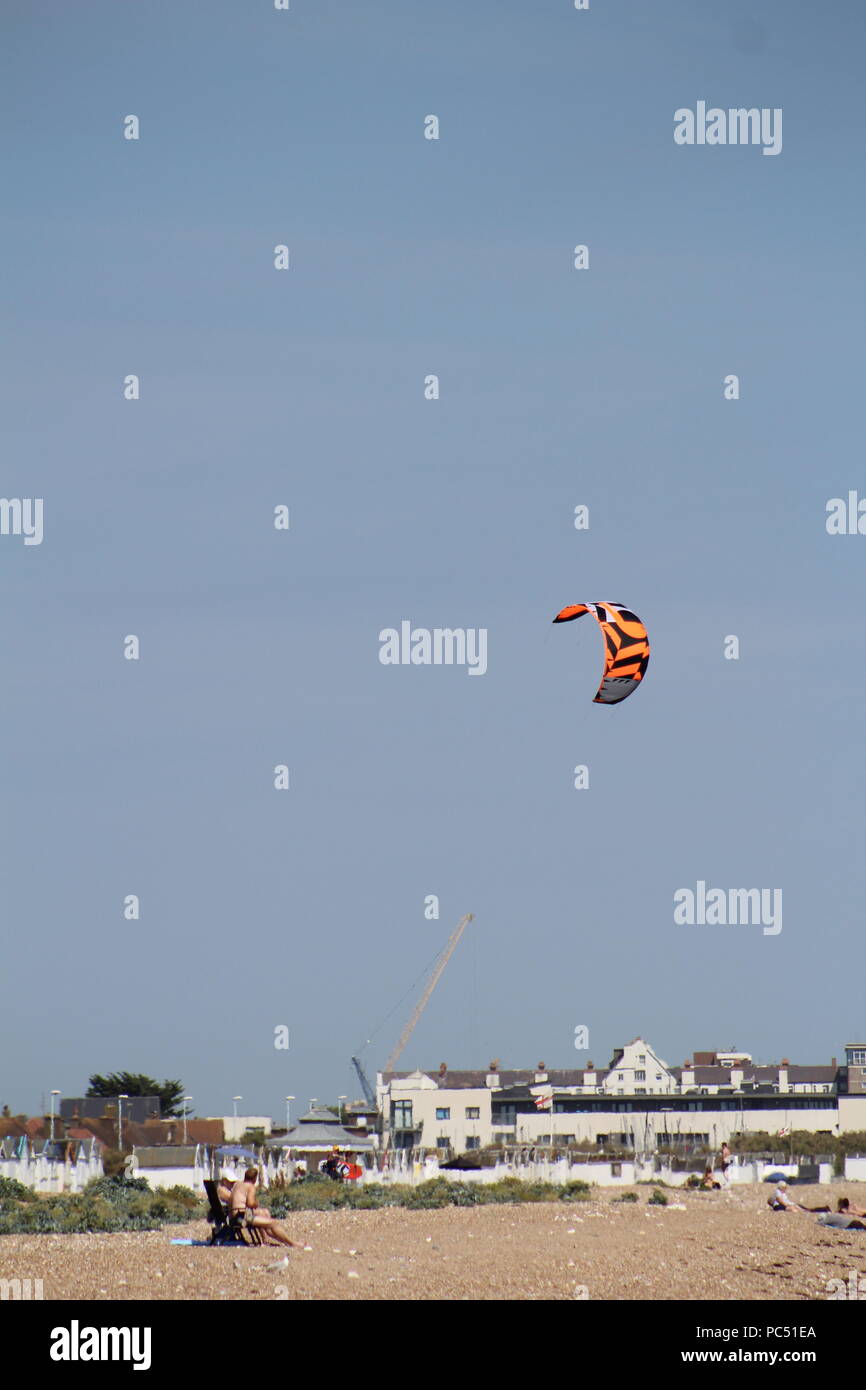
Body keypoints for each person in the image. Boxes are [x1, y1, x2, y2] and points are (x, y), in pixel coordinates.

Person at [230, 1167, 298, 1247]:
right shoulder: (250, 1186)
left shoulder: (237, 1184)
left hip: (234, 1215)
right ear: (255, 1179)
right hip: (242, 1216)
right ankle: (292, 1243)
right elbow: (250, 1203)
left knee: (265, 1217)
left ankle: (280, 1241)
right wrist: (256, 1203)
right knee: (273, 1223)